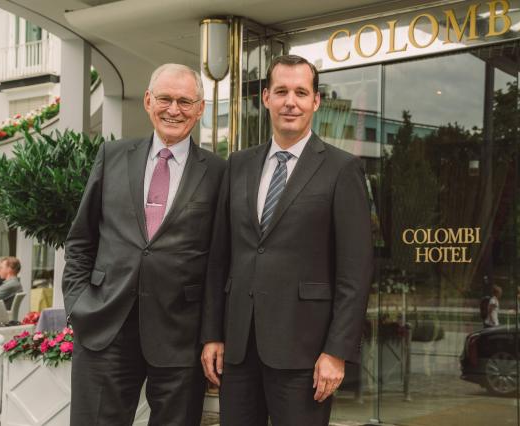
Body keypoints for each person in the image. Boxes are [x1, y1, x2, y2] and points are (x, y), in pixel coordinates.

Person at [201, 55, 373, 426]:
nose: (290, 102)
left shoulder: (342, 169)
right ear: (266, 98)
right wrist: (212, 334)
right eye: (281, 91)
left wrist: (336, 351)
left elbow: (355, 273)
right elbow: (219, 258)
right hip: (239, 349)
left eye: (300, 92)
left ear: (316, 101)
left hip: (305, 353)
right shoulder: (238, 165)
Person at [62, 63, 226, 426]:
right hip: (105, 326)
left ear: (200, 108)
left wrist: (212, 333)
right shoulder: (112, 156)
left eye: (185, 101)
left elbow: (220, 261)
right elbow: (81, 239)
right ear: (148, 101)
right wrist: (77, 304)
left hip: (181, 334)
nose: (174, 109)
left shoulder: (219, 172)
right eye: (165, 99)